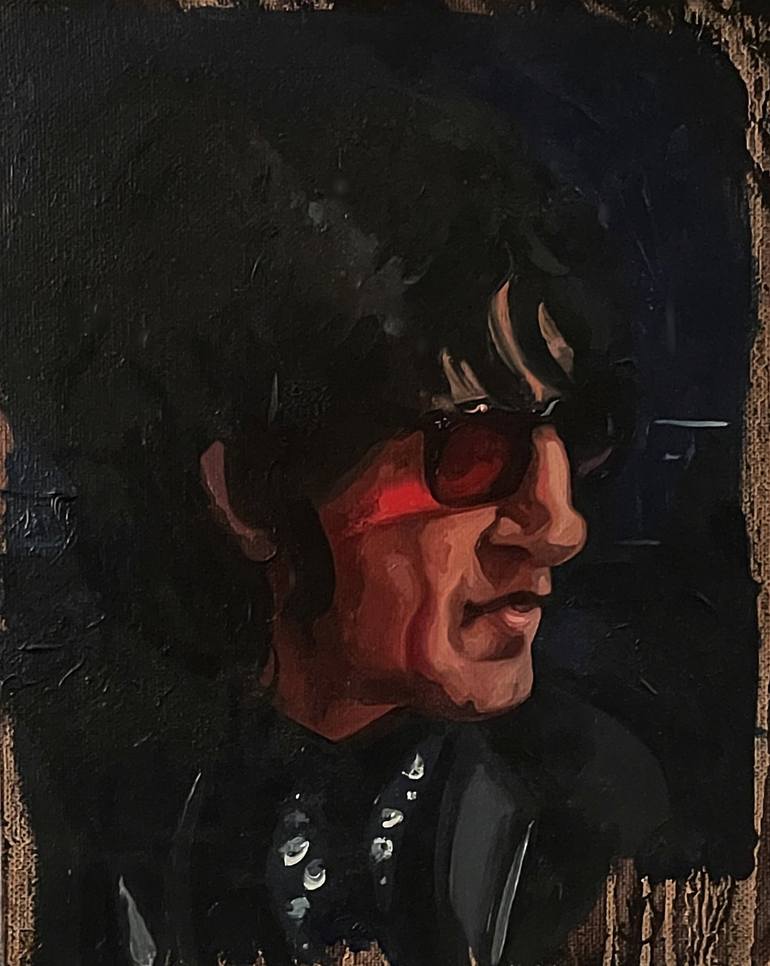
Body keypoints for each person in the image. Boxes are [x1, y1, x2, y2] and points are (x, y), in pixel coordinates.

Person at [0, 31, 669, 966]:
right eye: (475, 450)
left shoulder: (606, 832)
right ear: (251, 491)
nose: (559, 526)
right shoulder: (76, 829)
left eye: (582, 429)